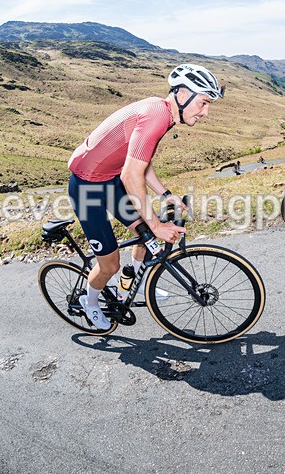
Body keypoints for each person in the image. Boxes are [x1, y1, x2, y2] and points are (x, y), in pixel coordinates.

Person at [68, 63, 224, 329]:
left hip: (109, 179)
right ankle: (89, 303)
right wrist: (156, 223)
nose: (206, 112)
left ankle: (132, 285)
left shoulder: (162, 112)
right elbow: (131, 176)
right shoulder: (156, 117)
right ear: (183, 96)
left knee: (145, 236)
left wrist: (165, 194)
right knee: (110, 265)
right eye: (204, 103)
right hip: (87, 189)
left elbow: (140, 162)